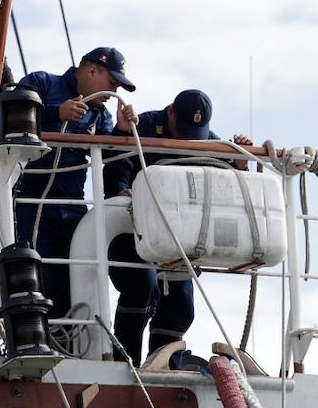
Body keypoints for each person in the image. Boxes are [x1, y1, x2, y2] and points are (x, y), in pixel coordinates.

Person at [104, 89, 253, 365]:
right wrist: (120, 188)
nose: (188, 139)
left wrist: (241, 165)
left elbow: (228, 186)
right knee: (142, 286)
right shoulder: (144, 127)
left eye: (194, 133)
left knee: (182, 306)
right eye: (184, 129)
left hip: (177, 238)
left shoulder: (209, 142)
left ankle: (163, 366)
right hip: (132, 229)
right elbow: (115, 163)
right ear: (170, 111)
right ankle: (123, 363)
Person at [14, 48, 137, 329]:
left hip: (71, 210)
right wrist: (56, 112)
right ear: (93, 71)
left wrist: (120, 131)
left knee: (77, 284)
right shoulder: (42, 84)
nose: (113, 91)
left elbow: (107, 156)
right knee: (41, 283)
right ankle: (44, 342)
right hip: (33, 207)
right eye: (112, 84)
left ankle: (73, 345)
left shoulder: (101, 117)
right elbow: (11, 115)